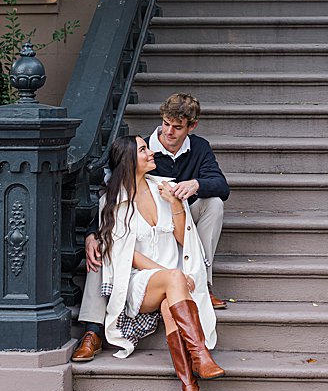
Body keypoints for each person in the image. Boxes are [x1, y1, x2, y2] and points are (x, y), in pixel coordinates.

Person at [73, 93, 229, 363]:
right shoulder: (139, 148)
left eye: (177, 127)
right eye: (166, 123)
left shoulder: (199, 148)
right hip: (141, 227)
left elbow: (221, 186)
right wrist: (91, 233)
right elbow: (110, 194)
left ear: (191, 127)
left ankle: (203, 280)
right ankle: (93, 329)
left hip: (177, 219)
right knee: (105, 247)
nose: (168, 132)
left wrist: (196, 185)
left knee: (213, 203)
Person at [95, 135, 223, 391]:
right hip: (140, 282)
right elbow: (126, 254)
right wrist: (169, 275)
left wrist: (175, 202)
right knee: (172, 283)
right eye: (143, 149)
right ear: (129, 160)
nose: (151, 152)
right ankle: (201, 355)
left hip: (171, 285)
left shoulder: (164, 188)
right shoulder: (113, 201)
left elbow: (182, 238)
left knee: (170, 307)